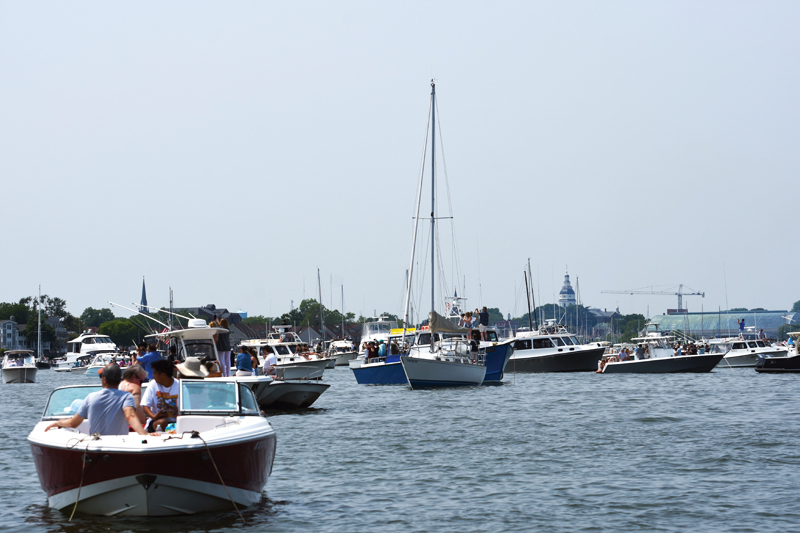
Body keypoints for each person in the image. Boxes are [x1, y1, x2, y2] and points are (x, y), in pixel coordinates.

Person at [46, 363, 147, 436]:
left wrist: (58, 422)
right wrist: (145, 434)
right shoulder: (126, 396)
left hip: (97, 446)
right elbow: (130, 416)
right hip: (119, 446)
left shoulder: (91, 397)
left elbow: (73, 423)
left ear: (104, 379)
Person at [142, 359, 180, 432]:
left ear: (163, 375)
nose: (153, 375)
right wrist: (154, 416)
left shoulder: (179, 386)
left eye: (155, 373)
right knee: (162, 422)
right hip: (156, 421)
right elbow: (145, 406)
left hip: (176, 422)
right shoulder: (152, 385)